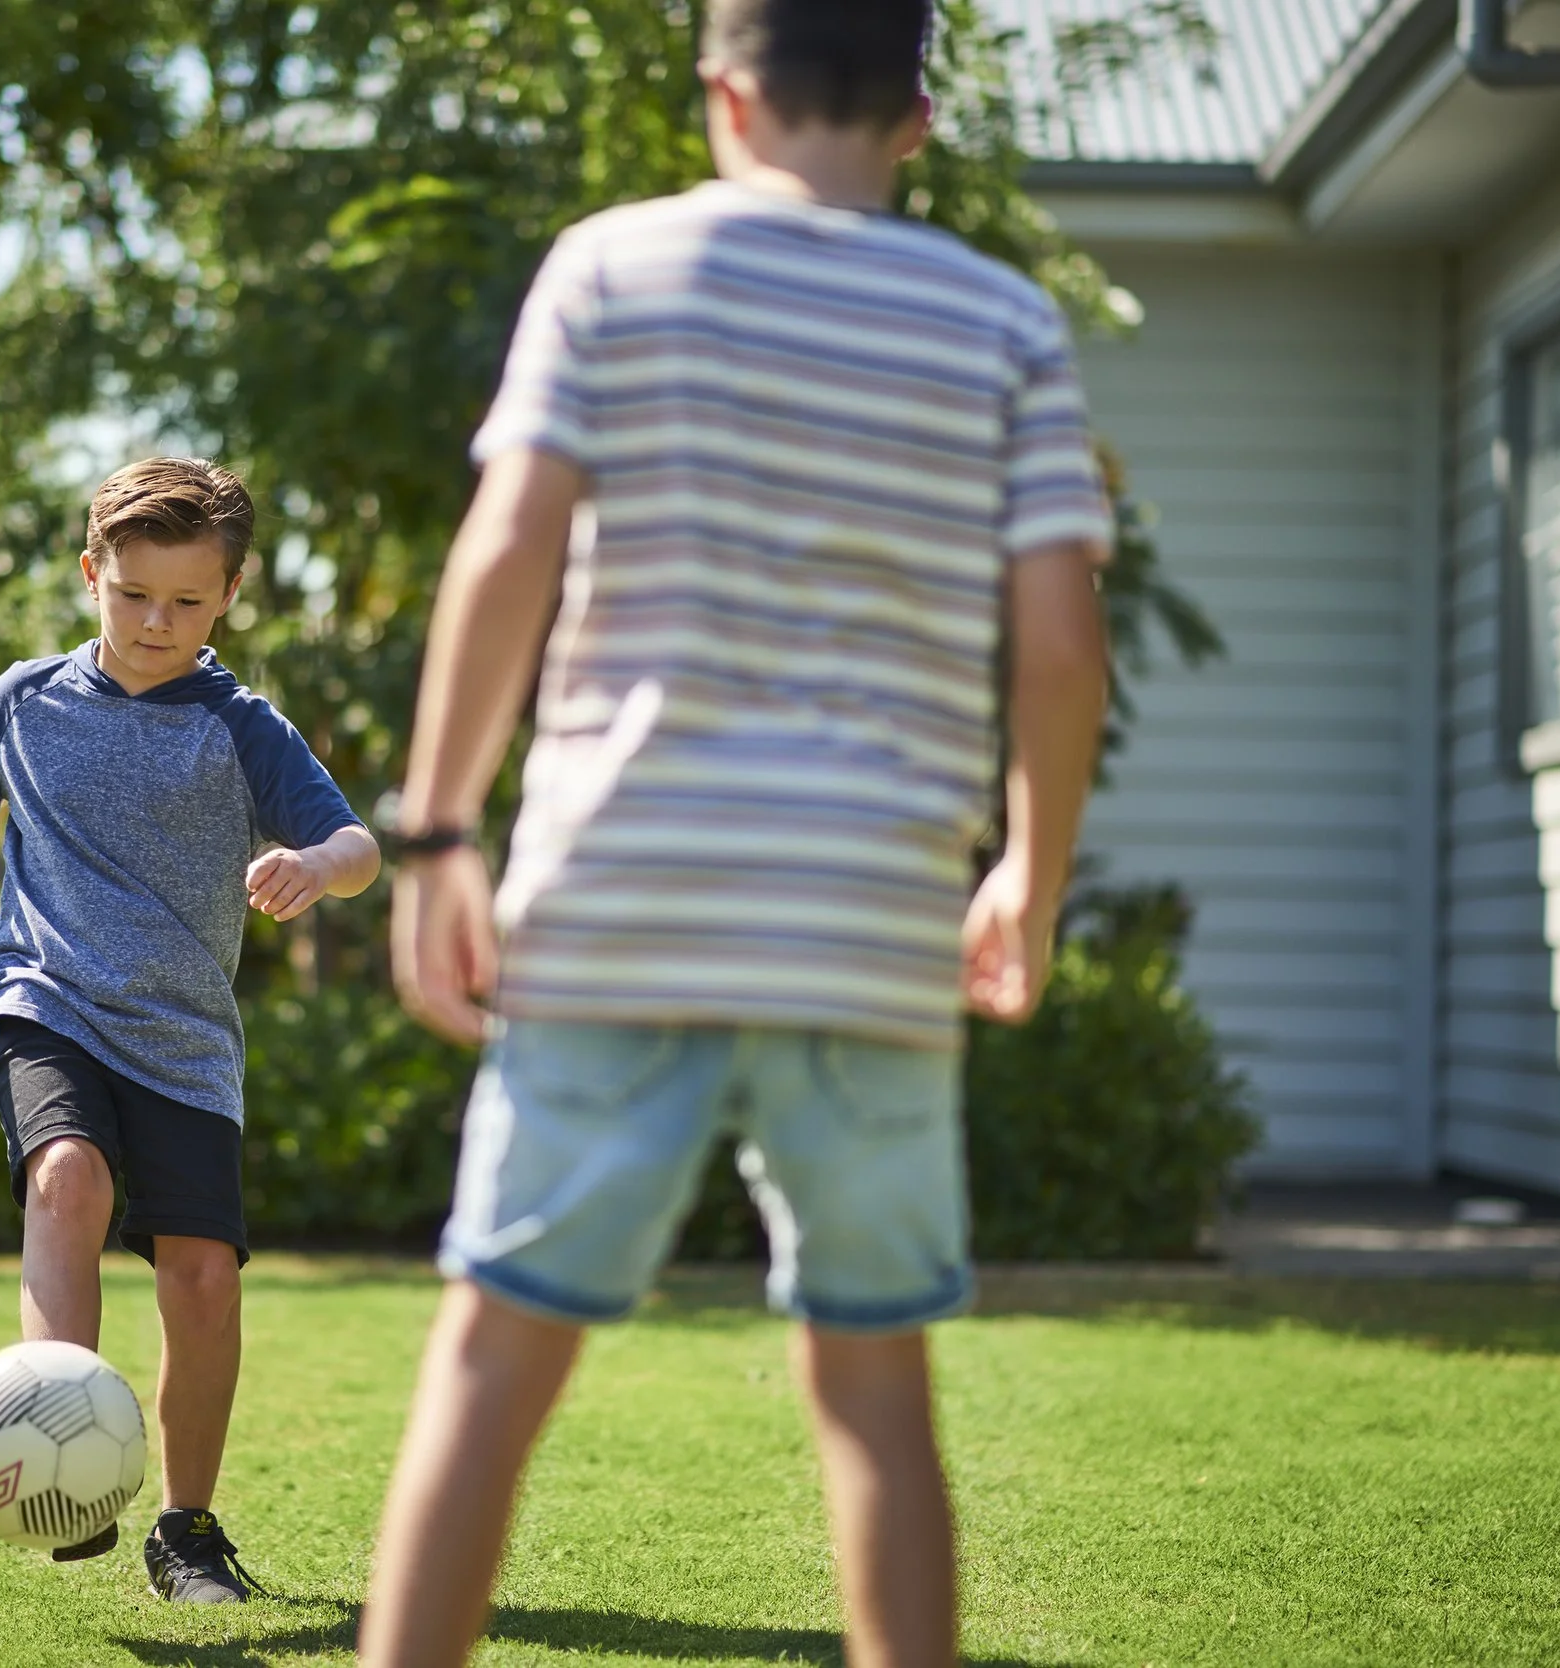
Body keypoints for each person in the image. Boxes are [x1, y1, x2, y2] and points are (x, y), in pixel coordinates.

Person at [361, 0, 1113, 1661]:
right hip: (868, 930)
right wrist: (1032, 875)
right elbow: (1065, 646)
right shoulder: (1003, 323)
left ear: (724, 95)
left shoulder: (611, 269)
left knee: (490, 1364)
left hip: (616, 904)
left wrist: (437, 834)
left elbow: (506, 553)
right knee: (875, 1387)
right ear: (916, 117)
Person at [0, 456, 380, 1603]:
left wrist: (318, 867)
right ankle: (53, 1449)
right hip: (46, 998)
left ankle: (187, 1532)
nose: (156, 621)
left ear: (229, 595)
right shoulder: (25, 701)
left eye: (186, 600)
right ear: (90, 575)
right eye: (133, 595)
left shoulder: (240, 726)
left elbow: (358, 844)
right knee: (66, 1177)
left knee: (203, 1281)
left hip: (183, 1039)